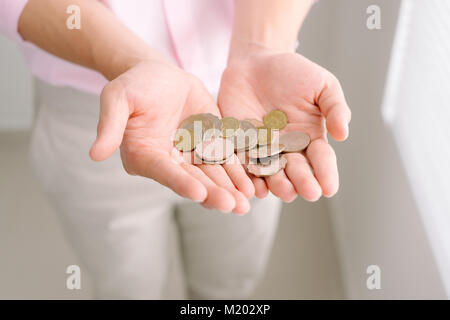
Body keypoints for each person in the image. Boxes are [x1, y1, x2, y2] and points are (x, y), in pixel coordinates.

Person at [0, 0, 351, 299]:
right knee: (126, 287)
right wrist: (133, 62)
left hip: (255, 98)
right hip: (100, 103)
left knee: (230, 280)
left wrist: (262, 47)